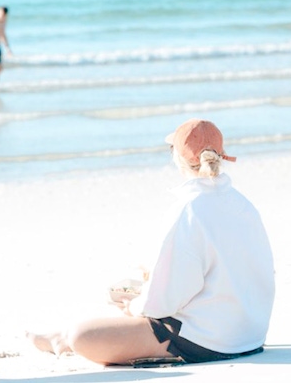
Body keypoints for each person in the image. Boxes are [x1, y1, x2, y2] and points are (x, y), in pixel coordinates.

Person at [28, 119, 275, 365]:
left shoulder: (189, 210)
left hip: (207, 341)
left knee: (81, 334)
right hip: (250, 335)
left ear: (177, 158)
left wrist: (133, 306)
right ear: (221, 156)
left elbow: (161, 304)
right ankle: (59, 336)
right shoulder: (243, 205)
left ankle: (62, 338)